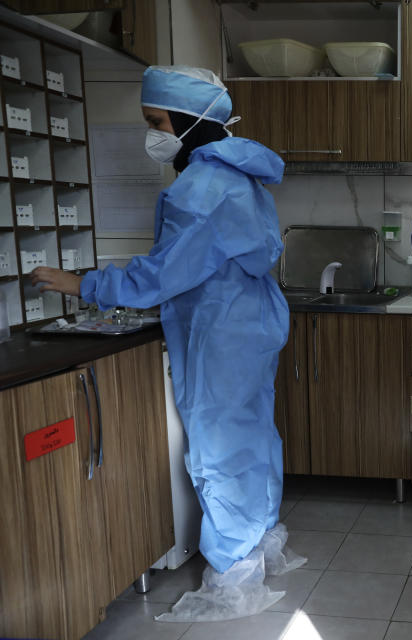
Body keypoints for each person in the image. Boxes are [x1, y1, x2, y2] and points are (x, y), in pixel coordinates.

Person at [31, 66, 303, 621]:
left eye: (156, 122)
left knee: (220, 454)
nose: (153, 134)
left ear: (188, 121)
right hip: (247, 323)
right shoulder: (238, 173)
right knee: (252, 439)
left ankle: (233, 578)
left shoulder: (200, 189)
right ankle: (257, 546)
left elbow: (159, 276)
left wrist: (83, 283)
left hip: (217, 331)